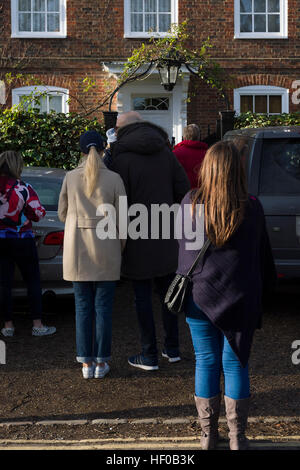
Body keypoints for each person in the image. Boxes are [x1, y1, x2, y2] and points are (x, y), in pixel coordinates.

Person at [177, 141, 276, 450]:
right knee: (235, 364)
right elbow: (262, 258)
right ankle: (237, 439)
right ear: (237, 171)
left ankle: (207, 437)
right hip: (240, 297)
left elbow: (183, 252)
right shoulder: (252, 206)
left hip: (200, 295)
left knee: (206, 362)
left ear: (207, 169)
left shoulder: (190, 202)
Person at [111, 111, 190, 371]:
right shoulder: (165, 151)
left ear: (121, 130)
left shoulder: (119, 157)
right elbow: (183, 189)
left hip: (136, 233)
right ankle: (173, 348)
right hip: (165, 231)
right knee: (168, 294)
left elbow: (117, 201)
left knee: (141, 297)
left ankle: (149, 355)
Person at [58, 131, 127, 379]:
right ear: (102, 148)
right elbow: (123, 219)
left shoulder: (70, 177)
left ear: (81, 151)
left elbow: (63, 213)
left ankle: (86, 364)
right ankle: (101, 362)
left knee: (83, 308)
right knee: (103, 308)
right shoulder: (115, 178)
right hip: (107, 248)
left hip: (78, 249)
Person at [0, 150, 56, 337]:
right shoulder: (23, 188)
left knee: (3, 284)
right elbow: (39, 213)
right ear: (18, 166)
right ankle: (37, 325)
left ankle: (8, 326)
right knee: (32, 280)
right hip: (22, 240)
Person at [173, 124, 208, 188]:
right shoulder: (207, 154)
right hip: (202, 191)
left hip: (182, 192)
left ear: (184, 137)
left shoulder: (175, 153)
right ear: (198, 136)